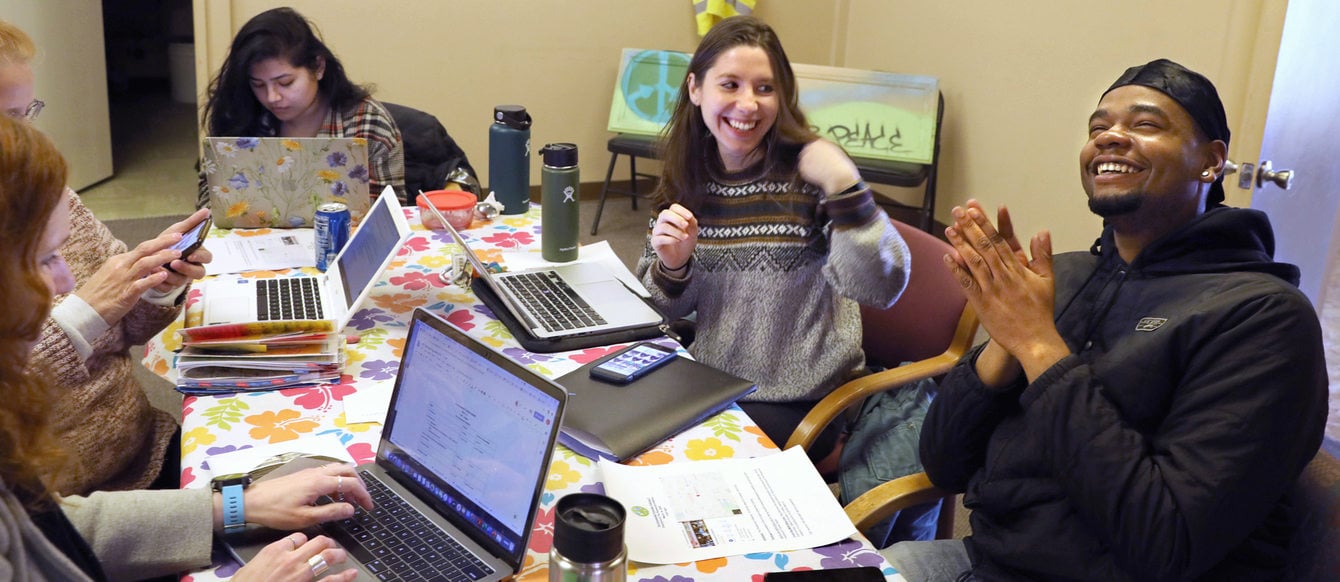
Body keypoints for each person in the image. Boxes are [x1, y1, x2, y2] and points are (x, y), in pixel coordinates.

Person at [883, 59, 1327, 581]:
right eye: (1099, 128)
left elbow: (1165, 543)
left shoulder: (1263, 318)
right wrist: (1005, 344)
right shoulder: (1065, 278)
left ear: (1211, 162)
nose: (1111, 137)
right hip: (989, 562)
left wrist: (1040, 348)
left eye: (1144, 124)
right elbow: (945, 466)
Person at [0, 115, 371, 581]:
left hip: (141, 464)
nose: (67, 283)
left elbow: (57, 524)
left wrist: (238, 506)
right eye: (45, 259)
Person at [636, 15, 910, 463]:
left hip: (803, 397)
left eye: (765, 88)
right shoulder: (688, 175)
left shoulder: (811, 175)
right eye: (730, 84)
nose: (748, 104)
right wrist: (673, 267)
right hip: (713, 382)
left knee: (678, 464)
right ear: (695, 89)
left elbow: (881, 288)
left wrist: (846, 188)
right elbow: (661, 310)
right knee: (612, 432)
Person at [0, 19, 213, 495]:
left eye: (28, 111)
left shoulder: (53, 197)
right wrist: (83, 315)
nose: (30, 134)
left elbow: (125, 331)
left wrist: (157, 283)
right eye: (10, 120)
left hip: (146, 447)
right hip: (75, 509)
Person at [197, 6, 405, 207]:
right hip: (251, 241)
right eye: (258, 84)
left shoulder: (367, 123)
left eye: (285, 82)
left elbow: (387, 214)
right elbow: (211, 200)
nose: (272, 97)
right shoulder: (240, 113)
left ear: (318, 67)